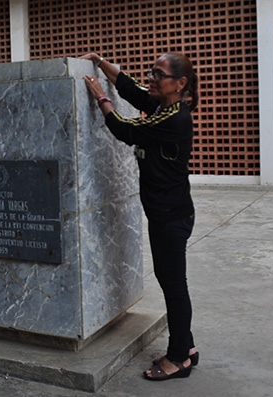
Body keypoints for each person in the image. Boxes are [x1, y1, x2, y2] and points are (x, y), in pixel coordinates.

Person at [81, 53, 199, 381]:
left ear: (179, 84)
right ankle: (186, 347)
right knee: (172, 283)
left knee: (174, 286)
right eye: (152, 71)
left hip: (171, 216)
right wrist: (101, 62)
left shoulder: (175, 117)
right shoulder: (164, 105)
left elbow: (125, 128)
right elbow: (132, 89)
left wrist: (100, 96)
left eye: (158, 74)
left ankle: (178, 359)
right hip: (166, 213)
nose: (151, 77)